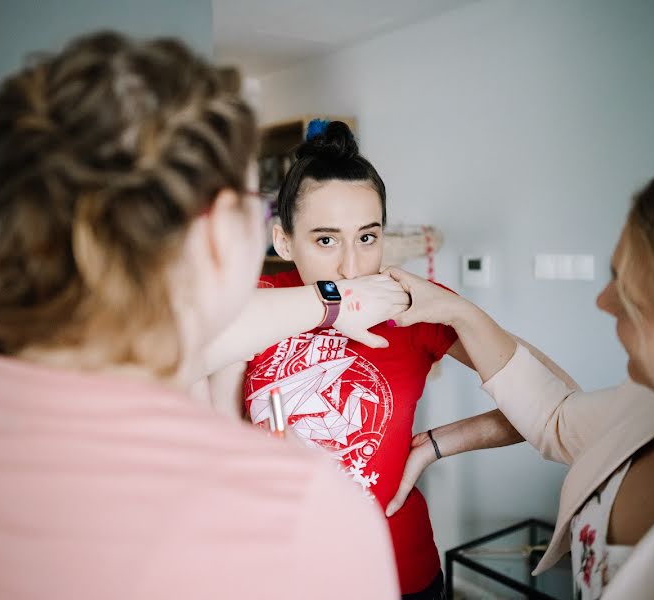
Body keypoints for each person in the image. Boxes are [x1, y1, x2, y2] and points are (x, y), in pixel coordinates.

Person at [0, 33, 401, 600]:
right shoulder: (304, 511)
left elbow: (190, 334)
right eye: (256, 208)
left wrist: (333, 301)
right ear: (219, 230)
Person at [386, 143, 654, 598]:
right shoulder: (651, 408)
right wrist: (462, 315)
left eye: (631, 292)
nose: (603, 302)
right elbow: (552, 414)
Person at [212, 121, 547, 599]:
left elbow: (546, 398)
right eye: (326, 240)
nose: (352, 267)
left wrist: (435, 444)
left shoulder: (412, 304)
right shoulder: (259, 304)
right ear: (283, 241)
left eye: (367, 238)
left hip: (395, 572)